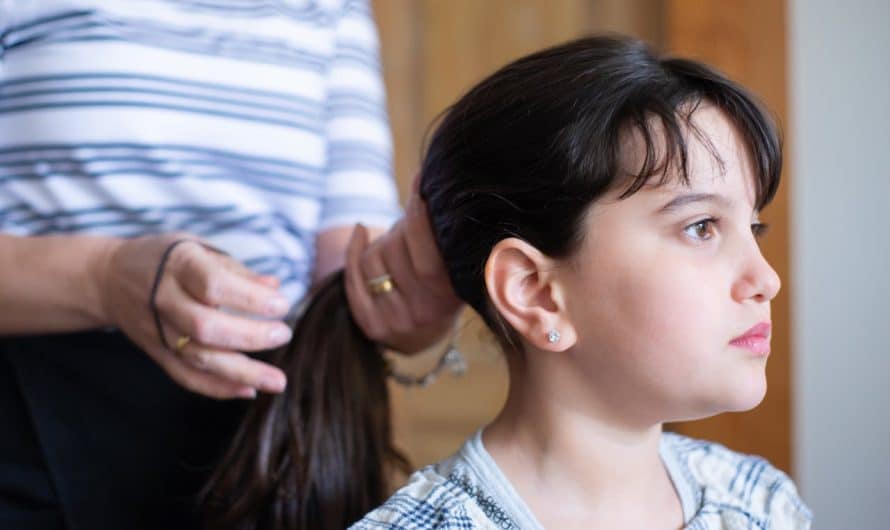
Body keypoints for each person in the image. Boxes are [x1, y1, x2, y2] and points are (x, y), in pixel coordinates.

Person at [206, 36, 814, 529]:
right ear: (535, 291)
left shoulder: (762, 504)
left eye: (752, 228)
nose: (765, 279)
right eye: (702, 227)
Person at [0, 1, 459, 529]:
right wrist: (104, 277)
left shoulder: (331, 10)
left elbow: (354, 272)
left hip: (262, 446)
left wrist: (421, 288)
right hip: (30, 425)